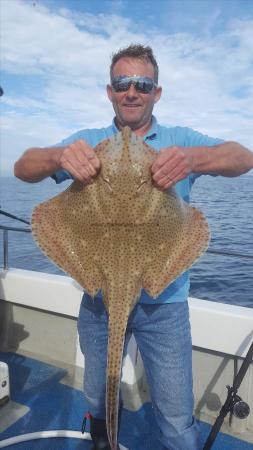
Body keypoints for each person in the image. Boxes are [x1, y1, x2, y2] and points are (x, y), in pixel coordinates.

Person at [14, 44, 253, 450]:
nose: (132, 91)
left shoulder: (178, 139)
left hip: (166, 303)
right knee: (97, 395)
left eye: (142, 84)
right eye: (122, 83)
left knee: (177, 416)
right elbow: (23, 167)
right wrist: (59, 156)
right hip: (98, 294)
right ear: (109, 91)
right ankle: (103, 438)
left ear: (156, 92)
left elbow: (242, 157)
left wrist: (191, 160)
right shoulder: (88, 141)